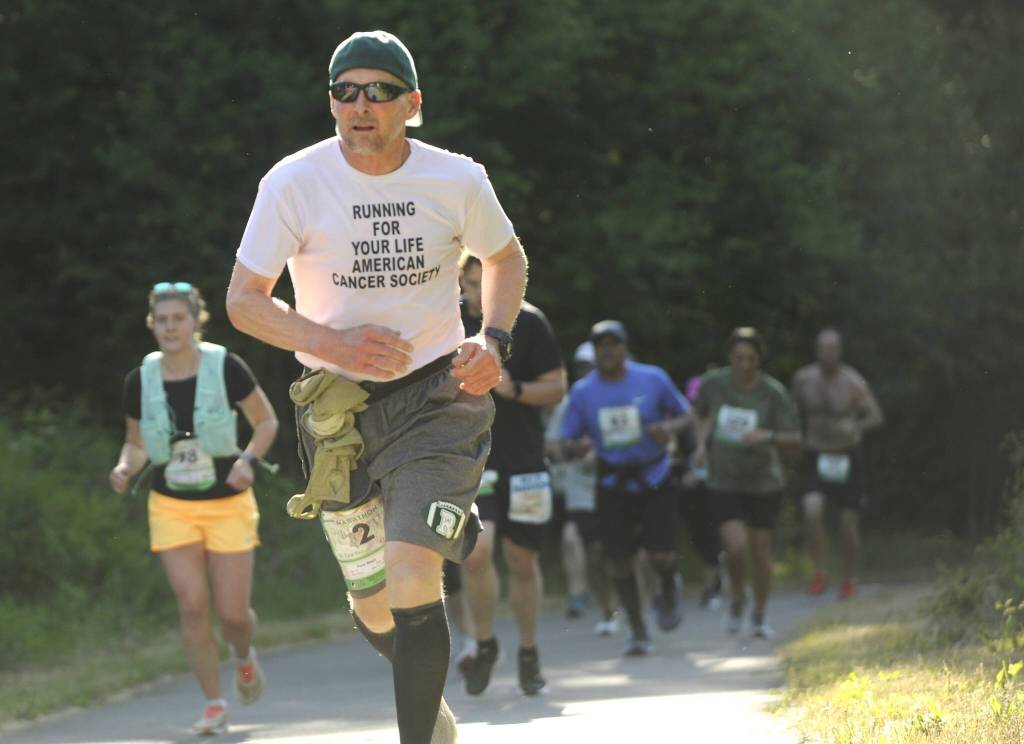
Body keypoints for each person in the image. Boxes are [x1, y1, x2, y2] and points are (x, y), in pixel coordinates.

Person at [225, 30, 528, 744]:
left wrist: (494, 338)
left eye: (380, 91)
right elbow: (244, 300)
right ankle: (430, 710)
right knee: (373, 608)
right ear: (331, 102)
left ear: (412, 104)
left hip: (439, 397)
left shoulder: (456, 179)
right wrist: (328, 342)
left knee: (412, 568)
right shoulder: (293, 182)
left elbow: (506, 258)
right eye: (345, 91)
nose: (361, 105)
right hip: (336, 414)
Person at [109, 282, 279, 735]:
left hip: (228, 503)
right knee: (192, 607)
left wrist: (248, 461)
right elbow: (136, 443)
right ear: (153, 325)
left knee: (233, 615)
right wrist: (125, 467)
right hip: (171, 505)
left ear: (194, 321)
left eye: (177, 319)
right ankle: (213, 702)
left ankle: (243, 656)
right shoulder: (139, 380)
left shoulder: (227, 367)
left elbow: (266, 421)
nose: (169, 328)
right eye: (161, 320)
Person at [457, 254, 566, 696]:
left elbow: (557, 388)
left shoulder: (531, 322)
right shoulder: (446, 322)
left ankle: (528, 651)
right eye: (469, 286)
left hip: (523, 459)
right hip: (472, 459)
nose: (475, 296)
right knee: (476, 552)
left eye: (485, 285)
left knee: (523, 560)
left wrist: (512, 388)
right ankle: (483, 644)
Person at [560, 320, 691, 656]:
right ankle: (637, 629)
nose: (607, 351)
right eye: (601, 345)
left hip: (654, 476)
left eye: (613, 344)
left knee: (660, 554)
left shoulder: (652, 378)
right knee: (619, 561)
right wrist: (577, 448)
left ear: (625, 348)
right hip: (612, 481)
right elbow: (567, 441)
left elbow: (684, 415)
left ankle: (668, 583)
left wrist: (667, 428)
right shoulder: (583, 391)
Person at [693, 327, 800, 639]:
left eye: (750, 359)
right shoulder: (714, 384)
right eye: (739, 358)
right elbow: (700, 414)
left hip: (763, 482)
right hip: (724, 479)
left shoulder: (772, 392)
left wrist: (766, 436)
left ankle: (759, 615)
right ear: (731, 358)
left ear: (759, 360)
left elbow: (795, 438)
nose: (744, 365)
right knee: (737, 547)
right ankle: (737, 596)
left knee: (761, 551)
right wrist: (701, 444)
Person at [790, 328, 884, 599]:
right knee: (811, 510)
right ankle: (820, 572)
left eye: (833, 349)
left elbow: (875, 416)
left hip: (845, 454)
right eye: (823, 348)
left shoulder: (852, 382)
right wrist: (795, 432)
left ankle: (849, 578)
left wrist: (855, 425)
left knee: (847, 522)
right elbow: (791, 411)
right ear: (817, 350)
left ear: (839, 351)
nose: (827, 354)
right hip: (815, 453)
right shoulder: (803, 379)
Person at [547, 341, 619, 635]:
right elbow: (553, 443)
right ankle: (579, 594)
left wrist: (601, 452)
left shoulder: (618, 396)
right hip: (580, 489)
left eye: (590, 367)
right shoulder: (571, 402)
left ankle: (635, 598)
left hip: (616, 486)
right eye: (581, 368)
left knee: (614, 547)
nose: (586, 372)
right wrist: (573, 451)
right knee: (573, 539)